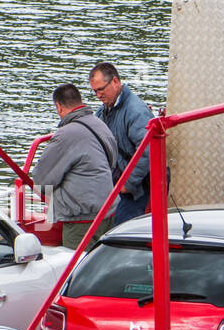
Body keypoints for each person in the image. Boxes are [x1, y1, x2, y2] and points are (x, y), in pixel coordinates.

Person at [33, 83, 119, 251]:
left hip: (81, 218)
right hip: (107, 211)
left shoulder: (65, 135)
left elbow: (41, 181)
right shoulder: (100, 124)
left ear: (58, 106)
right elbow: (112, 163)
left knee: (76, 268)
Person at [89, 62, 156, 225]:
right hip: (116, 180)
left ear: (115, 82)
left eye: (101, 89)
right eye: (94, 91)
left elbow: (148, 150)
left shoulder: (136, 111)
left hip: (135, 189)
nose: (98, 95)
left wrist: (129, 183)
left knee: (121, 227)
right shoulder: (105, 108)